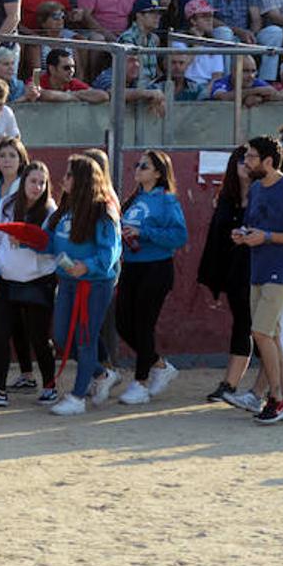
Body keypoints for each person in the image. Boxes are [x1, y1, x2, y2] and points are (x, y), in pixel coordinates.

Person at [43, 154, 123, 416]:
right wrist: (24, 237)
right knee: (62, 335)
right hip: (67, 283)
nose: (63, 179)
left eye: (68, 175)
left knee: (86, 338)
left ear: (82, 180)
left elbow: (109, 252)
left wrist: (86, 266)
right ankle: (102, 373)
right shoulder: (66, 209)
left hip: (94, 285)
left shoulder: (103, 211)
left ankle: (77, 397)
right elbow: (51, 242)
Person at [0, 159, 59, 408]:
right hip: (7, 279)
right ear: (24, 182)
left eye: (42, 183)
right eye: (33, 181)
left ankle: (49, 386)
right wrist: (2, 254)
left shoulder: (51, 212)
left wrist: (29, 243)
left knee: (39, 337)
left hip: (39, 281)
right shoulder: (7, 204)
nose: (37, 187)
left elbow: (53, 248)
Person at [231, 136, 283, 423]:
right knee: (269, 335)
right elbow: (256, 226)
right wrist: (244, 235)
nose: (246, 162)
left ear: (269, 161)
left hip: (282, 274)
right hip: (259, 270)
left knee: (260, 333)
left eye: (251, 157)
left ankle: (277, 398)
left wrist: (268, 237)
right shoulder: (258, 189)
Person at [114, 150, 188, 405]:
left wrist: (143, 232)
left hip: (156, 268)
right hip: (132, 267)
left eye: (144, 166)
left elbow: (179, 237)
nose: (138, 169)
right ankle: (159, 364)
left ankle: (141, 382)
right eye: (138, 165)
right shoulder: (134, 199)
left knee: (144, 324)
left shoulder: (167, 200)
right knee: (123, 322)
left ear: (158, 172)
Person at [199, 147, 261, 409]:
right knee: (246, 325)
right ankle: (251, 380)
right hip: (235, 272)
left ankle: (232, 384)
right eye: (241, 159)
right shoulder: (227, 198)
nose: (246, 164)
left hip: (261, 270)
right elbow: (216, 240)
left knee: (255, 328)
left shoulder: (266, 195)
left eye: (251, 159)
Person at [39, 47, 110, 104]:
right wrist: (77, 96)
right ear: (52, 69)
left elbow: (103, 96)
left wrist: (70, 95)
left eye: (73, 67)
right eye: (66, 68)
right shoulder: (37, 80)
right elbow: (43, 95)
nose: (71, 71)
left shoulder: (72, 82)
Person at [209, 54, 283, 107]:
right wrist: (256, 91)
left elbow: (276, 94)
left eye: (253, 71)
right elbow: (223, 97)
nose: (251, 76)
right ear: (233, 71)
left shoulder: (255, 81)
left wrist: (260, 98)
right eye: (245, 71)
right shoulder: (222, 82)